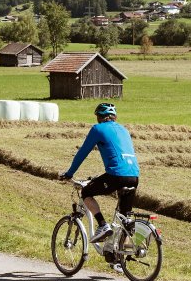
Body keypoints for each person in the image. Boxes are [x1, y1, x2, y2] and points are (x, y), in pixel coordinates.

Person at [58, 103, 139, 243]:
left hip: (116, 175)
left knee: (86, 193)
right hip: (134, 176)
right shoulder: (124, 130)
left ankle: (102, 225)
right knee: (125, 219)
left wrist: (69, 173)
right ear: (114, 117)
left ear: (99, 117)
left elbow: (82, 153)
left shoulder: (97, 129)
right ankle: (119, 259)